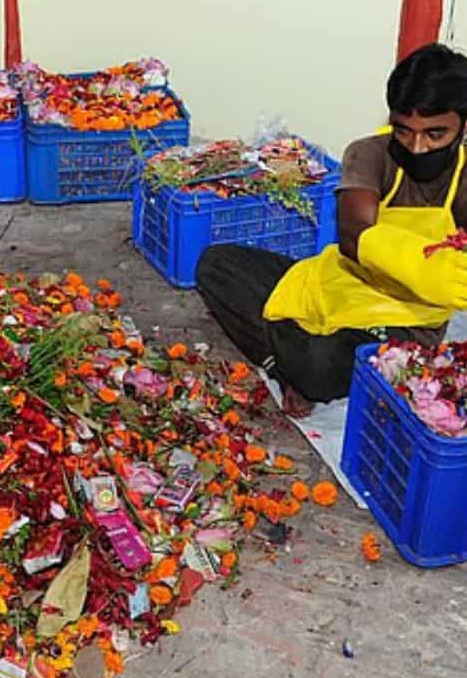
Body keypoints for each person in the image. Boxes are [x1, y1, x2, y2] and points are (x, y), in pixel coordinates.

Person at [196, 43, 467, 417]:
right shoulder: (371, 153)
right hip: (335, 287)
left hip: (401, 324)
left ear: (462, 125)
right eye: (404, 131)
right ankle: (285, 361)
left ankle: (290, 360)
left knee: (321, 366)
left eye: (435, 134)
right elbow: (354, 233)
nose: (418, 147)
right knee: (216, 264)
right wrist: (419, 265)